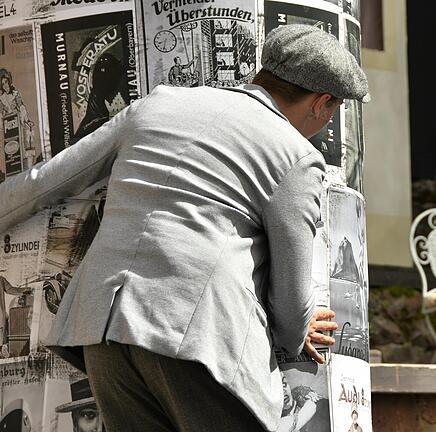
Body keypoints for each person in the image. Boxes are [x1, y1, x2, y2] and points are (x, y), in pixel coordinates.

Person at [0, 24, 369, 431]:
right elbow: (292, 291)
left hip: (105, 328)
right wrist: (295, 330)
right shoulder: (296, 155)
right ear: (322, 103)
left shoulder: (159, 104)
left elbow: (46, 181)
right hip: (196, 339)